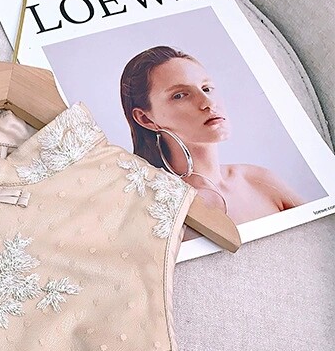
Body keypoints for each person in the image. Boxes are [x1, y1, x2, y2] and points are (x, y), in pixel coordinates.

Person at [120, 46, 304, 239]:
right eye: (180, 95)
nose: (208, 102)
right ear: (145, 119)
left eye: (206, 88)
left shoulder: (260, 180)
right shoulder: (156, 211)